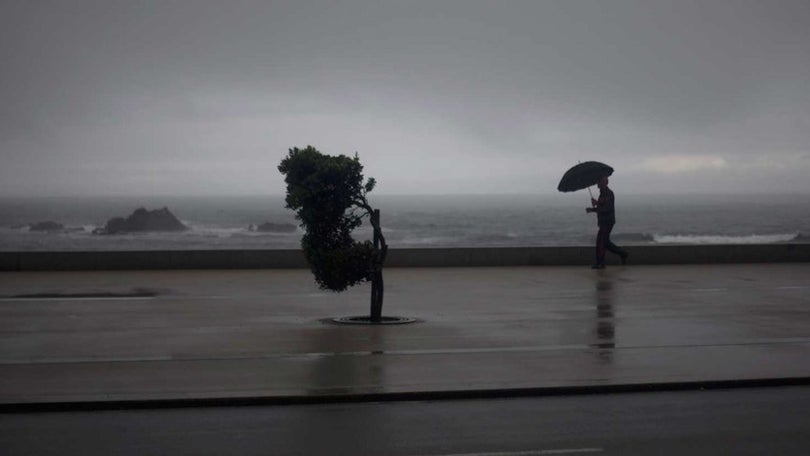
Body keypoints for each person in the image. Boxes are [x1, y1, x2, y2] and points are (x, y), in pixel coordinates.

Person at [586, 177, 628, 269]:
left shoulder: (609, 193)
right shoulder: (602, 193)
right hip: (604, 222)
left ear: (605, 183)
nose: (598, 182)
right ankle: (623, 254)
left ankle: (600, 263)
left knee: (600, 242)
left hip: (607, 222)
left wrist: (595, 206)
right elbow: (602, 207)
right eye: (598, 180)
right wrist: (594, 207)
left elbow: (606, 209)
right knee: (605, 242)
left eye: (600, 181)